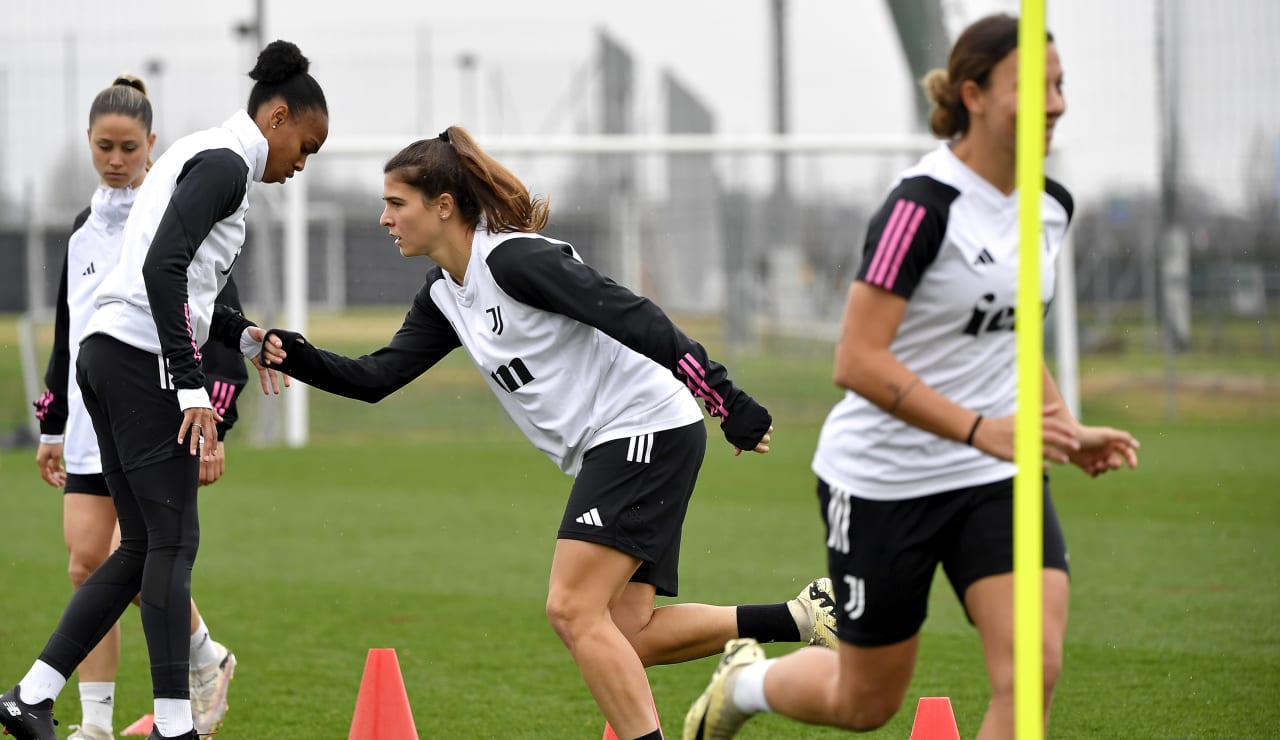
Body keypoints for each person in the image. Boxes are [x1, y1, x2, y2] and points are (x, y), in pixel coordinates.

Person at [256, 125, 837, 740]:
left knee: (571, 609)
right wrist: (296, 356)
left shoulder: (514, 259)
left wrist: (724, 395)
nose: (383, 218)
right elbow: (378, 377)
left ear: (443, 206)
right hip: (627, 439)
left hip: (642, 427)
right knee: (624, 634)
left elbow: (633, 314)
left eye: (396, 203)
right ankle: (802, 617)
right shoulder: (446, 295)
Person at [682, 13, 1140, 740]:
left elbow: (1011, 337)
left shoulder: (1050, 208)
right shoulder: (921, 207)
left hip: (997, 475)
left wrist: (1063, 426)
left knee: (1031, 676)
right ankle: (746, 684)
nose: (1056, 102)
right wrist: (979, 428)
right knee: (867, 704)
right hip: (884, 481)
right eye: (1034, 85)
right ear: (975, 94)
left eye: (1061, 84)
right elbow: (856, 360)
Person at [0, 39, 327, 740]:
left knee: (141, 548)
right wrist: (188, 388)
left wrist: (244, 338)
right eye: (307, 144)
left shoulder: (200, 155)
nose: (304, 164)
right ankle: (177, 725)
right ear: (276, 119)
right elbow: (162, 270)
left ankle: (29, 696)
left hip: (106, 357)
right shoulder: (226, 168)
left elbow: (190, 282)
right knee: (172, 548)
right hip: (141, 363)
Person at [29, 75, 245, 740]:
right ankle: (96, 724)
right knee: (85, 561)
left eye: (128, 146)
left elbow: (218, 314)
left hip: (159, 405)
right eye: (104, 147)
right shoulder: (80, 231)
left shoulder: (172, 210)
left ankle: (200, 668)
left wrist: (218, 416)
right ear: (90, 146)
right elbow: (70, 333)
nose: (116, 159)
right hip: (94, 416)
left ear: (151, 144)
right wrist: (52, 424)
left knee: (142, 548)